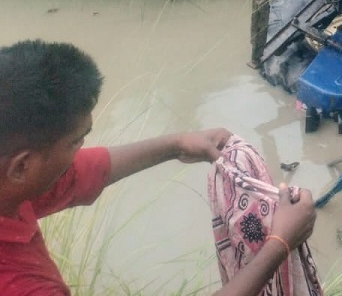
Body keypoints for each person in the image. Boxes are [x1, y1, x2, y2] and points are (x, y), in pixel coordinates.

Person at [0, 40, 316, 295]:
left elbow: (86, 171)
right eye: (74, 141)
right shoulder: (21, 286)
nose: (80, 150)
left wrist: (177, 144)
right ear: (22, 167)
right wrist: (280, 243)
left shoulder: (11, 185)